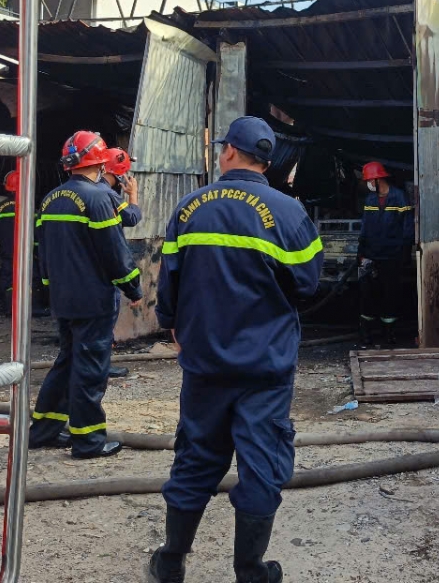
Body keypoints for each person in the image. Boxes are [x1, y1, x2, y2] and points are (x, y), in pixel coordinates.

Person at [149, 116, 322, 583]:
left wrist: (171, 323)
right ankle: (250, 570)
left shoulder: (188, 209)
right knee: (262, 465)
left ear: (228, 152)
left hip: (205, 364)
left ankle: (170, 564)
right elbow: (309, 282)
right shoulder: (287, 212)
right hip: (264, 366)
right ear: (266, 162)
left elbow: (169, 282)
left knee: (196, 459)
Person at [29, 130, 143, 460]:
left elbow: (43, 252)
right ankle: (89, 441)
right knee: (90, 368)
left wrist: (48, 290)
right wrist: (133, 287)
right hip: (93, 300)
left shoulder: (51, 198)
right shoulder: (98, 198)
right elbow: (114, 251)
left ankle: (44, 430)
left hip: (63, 300)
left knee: (66, 362)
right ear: (99, 160)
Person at [356, 161, 413, 347]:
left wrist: (404, 253)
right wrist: (362, 253)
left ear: (377, 179)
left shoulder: (399, 197)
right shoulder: (370, 200)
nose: (367, 184)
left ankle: (388, 336)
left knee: (390, 296)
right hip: (371, 256)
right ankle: (366, 336)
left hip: (391, 256)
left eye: (368, 181)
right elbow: (365, 228)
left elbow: (407, 227)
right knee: (367, 296)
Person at [102, 148, 141, 379]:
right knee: (105, 322)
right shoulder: (106, 195)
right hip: (103, 275)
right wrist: (132, 195)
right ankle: (102, 366)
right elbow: (132, 218)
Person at [0, 169, 47, 317]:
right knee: (31, 278)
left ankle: (9, 308)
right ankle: (31, 308)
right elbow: (36, 232)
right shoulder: (29, 206)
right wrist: (37, 251)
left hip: (7, 253)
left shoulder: (0, 207)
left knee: (8, 279)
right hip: (27, 254)